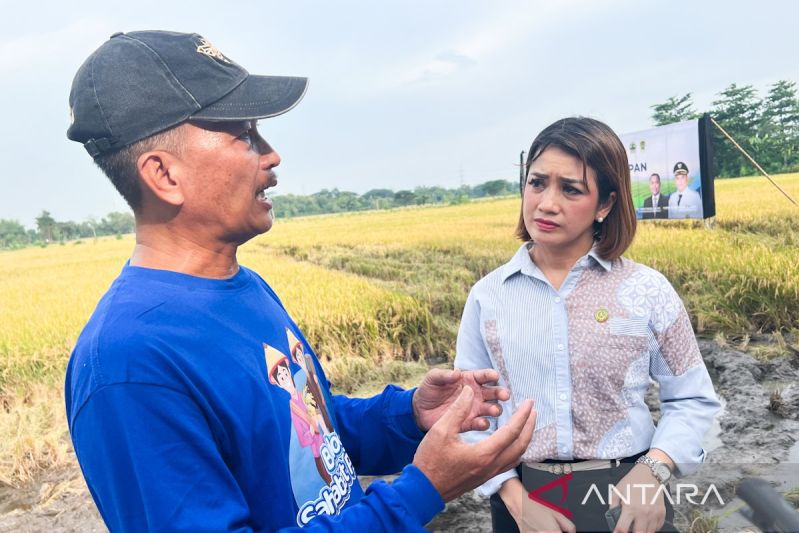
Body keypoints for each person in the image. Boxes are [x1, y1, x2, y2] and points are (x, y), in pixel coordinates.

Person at [64, 30, 536, 532]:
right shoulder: (129, 364)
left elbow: (310, 428)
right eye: (244, 135)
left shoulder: (245, 288)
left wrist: (408, 415)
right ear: (164, 175)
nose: (272, 155)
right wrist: (421, 490)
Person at [455, 117, 720, 532]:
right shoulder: (489, 297)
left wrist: (654, 471)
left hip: (628, 495)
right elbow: (470, 416)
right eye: (537, 183)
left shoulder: (646, 291)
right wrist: (514, 500)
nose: (546, 203)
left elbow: (692, 399)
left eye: (571, 189)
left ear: (605, 205)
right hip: (524, 499)